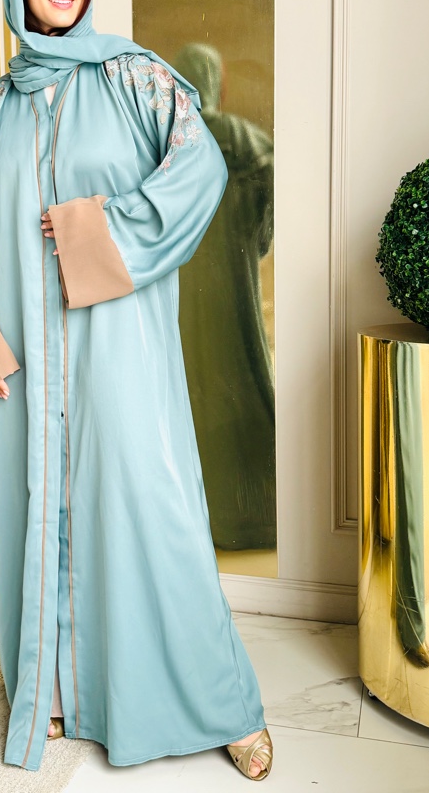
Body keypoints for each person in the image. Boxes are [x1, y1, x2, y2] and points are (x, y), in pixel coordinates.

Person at [0, 0, 273, 781]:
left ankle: (223, 704)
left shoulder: (135, 78)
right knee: (39, 513)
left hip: (117, 346)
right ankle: (55, 691)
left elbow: (200, 168)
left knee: (151, 510)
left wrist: (101, 229)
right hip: (25, 356)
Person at [174, 43, 276, 552]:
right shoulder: (245, 138)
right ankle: (260, 516)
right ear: (220, 81)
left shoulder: (174, 141)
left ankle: (204, 522)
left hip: (187, 292)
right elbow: (269, 198)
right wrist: (252, 242)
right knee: (247, 374)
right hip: (237, 285)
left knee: (194, 386)